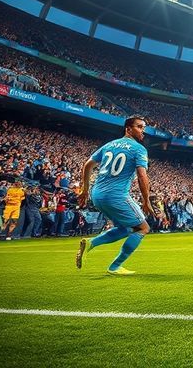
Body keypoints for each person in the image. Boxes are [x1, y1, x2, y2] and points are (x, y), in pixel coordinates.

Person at [75, 115, 155, 275]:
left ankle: (90, 243)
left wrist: (85, 189)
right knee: (143, 228)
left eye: (143, 128)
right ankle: (115, 267)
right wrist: (146, 200)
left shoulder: (109, 145)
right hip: (116, 195)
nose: (142, 131)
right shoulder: (139, 149)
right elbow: (142, 176)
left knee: (125, 228)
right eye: (139, 127)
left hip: (97, 194)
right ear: (128, 128)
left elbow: (87, 165)